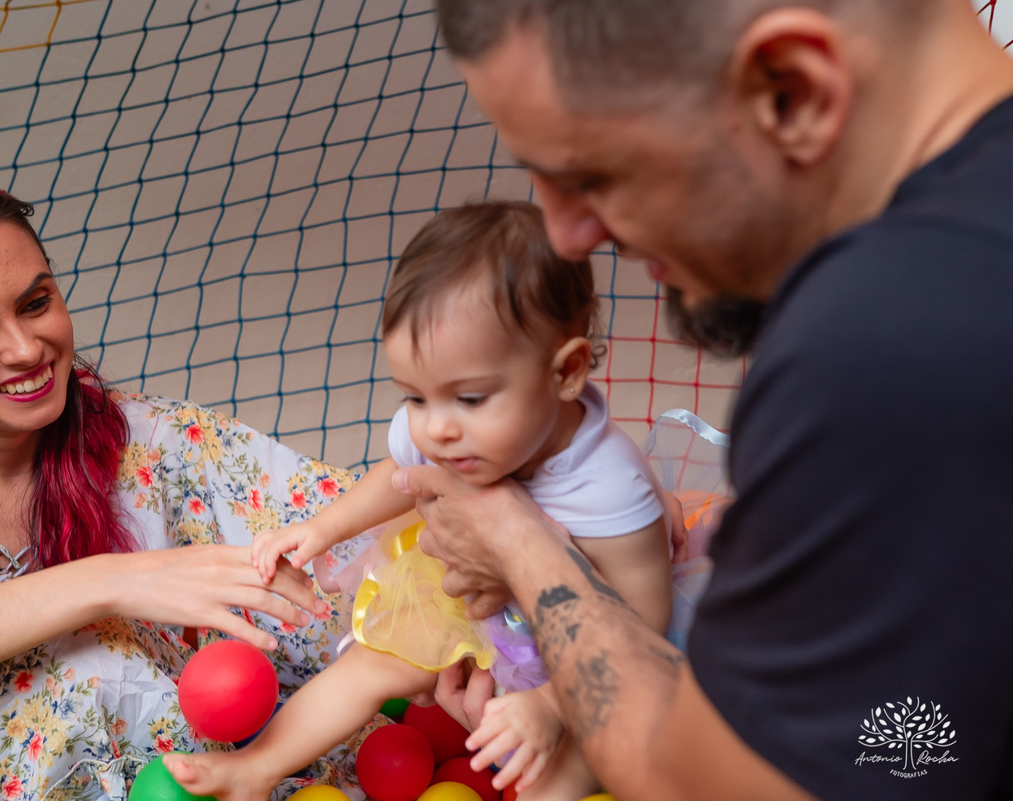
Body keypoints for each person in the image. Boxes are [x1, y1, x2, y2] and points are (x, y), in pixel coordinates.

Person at [375, 1, 1013, 799]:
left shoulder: (885, 341)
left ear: (792, 89)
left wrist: (513, 534)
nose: (569, 235)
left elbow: (702, 783)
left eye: (591, 175)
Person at [0, 168, 379, 800]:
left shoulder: (164, 446)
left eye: (36, 303)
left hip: (211, 778)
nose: (28, 348)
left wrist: (441, 628)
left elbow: (386, 544)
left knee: (106, 668)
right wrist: (103, 583)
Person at [163, 201, 674, 800]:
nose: (437, 429)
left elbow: (643, 622)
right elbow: (400, 473)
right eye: (416, 397)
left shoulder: (610, 484)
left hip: (580, 652)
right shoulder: (442, 428)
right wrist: (323, 528)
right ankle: (256, 769)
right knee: (371, 664)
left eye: (471, 398)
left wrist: (550, 704)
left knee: (573, 764)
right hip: (472, 600)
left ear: (566, 373)